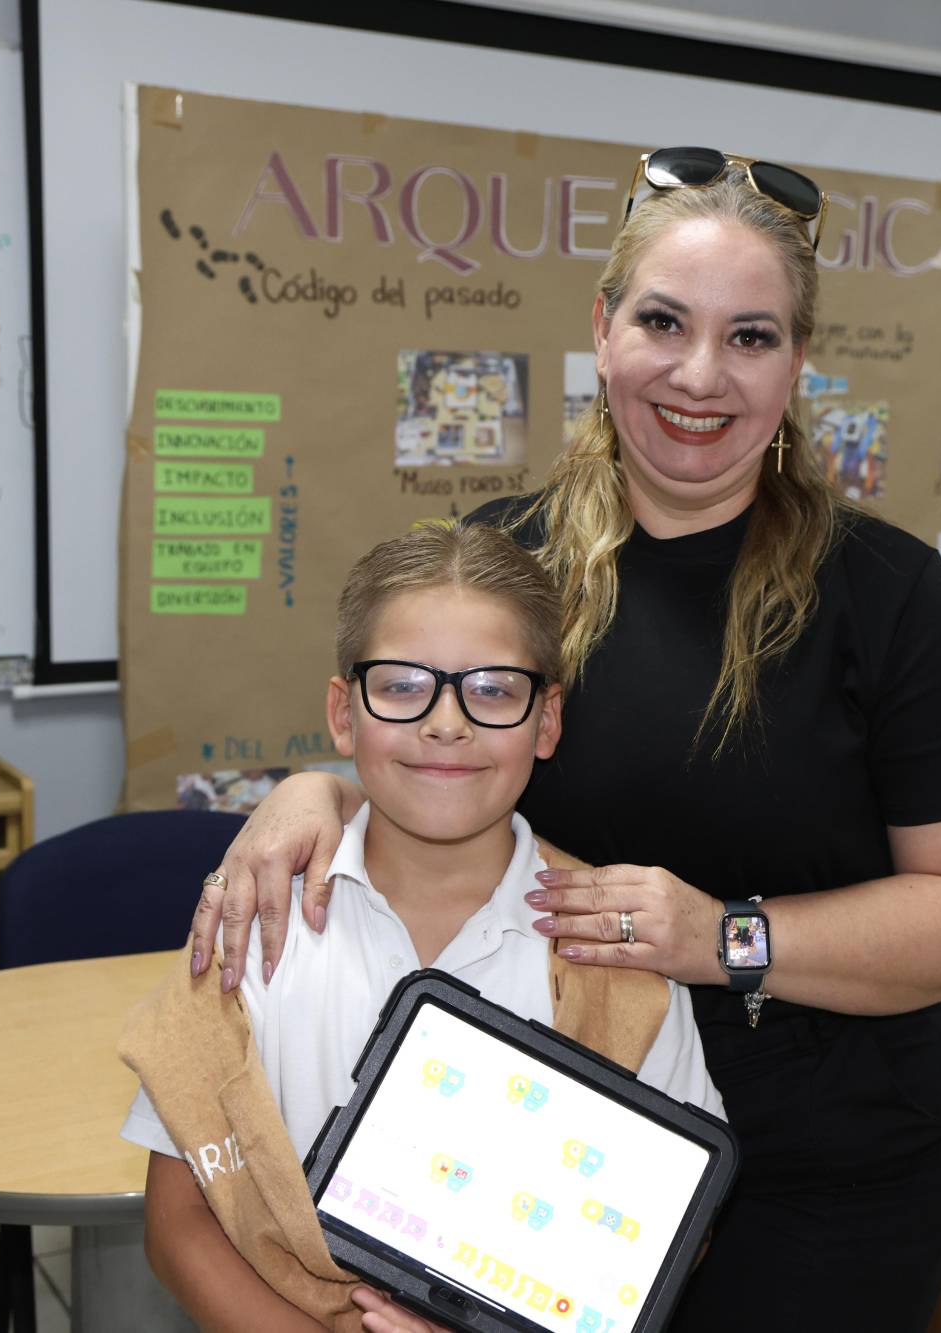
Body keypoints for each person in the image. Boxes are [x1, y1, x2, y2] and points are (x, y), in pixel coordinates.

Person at [190, 148, 941, 1329]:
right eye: (663, 322)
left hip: (823, 1175)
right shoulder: (507, 554)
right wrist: (317, 791)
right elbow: (443, 757)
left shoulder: (886, 594)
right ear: (602, 330)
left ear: (797, 362)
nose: (702, 375)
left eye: (750, 336)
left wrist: (723, 936)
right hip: (546, 1158)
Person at [124, 523, 723, 1332]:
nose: (446, 721)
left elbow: (674, 1230)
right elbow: (179, 1224)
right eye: (403, 684)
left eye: (494, 688)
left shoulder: (615, 952)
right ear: (344, 712)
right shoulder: (254, 917)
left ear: (546, 721)